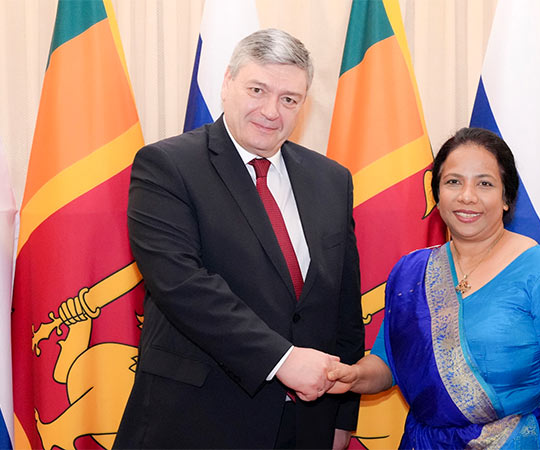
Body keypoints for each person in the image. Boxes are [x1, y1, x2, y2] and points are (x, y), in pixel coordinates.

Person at [113, 29, 364, 449]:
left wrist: (342, 414)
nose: (271, 111)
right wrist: (283, 360)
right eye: (257, 89)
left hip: (305, 423)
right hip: (197, 419)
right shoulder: (167, 166)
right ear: (227, 82)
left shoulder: (332, 180)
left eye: (289, 99)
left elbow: (343, 303)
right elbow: (183, 287)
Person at [327, 127, 540, 449]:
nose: (467, 196)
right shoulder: (410, 272)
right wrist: (353, 377)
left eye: (484, 183)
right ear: (437, 193)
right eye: (454, 182)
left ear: (507, 198)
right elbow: (388, 365)